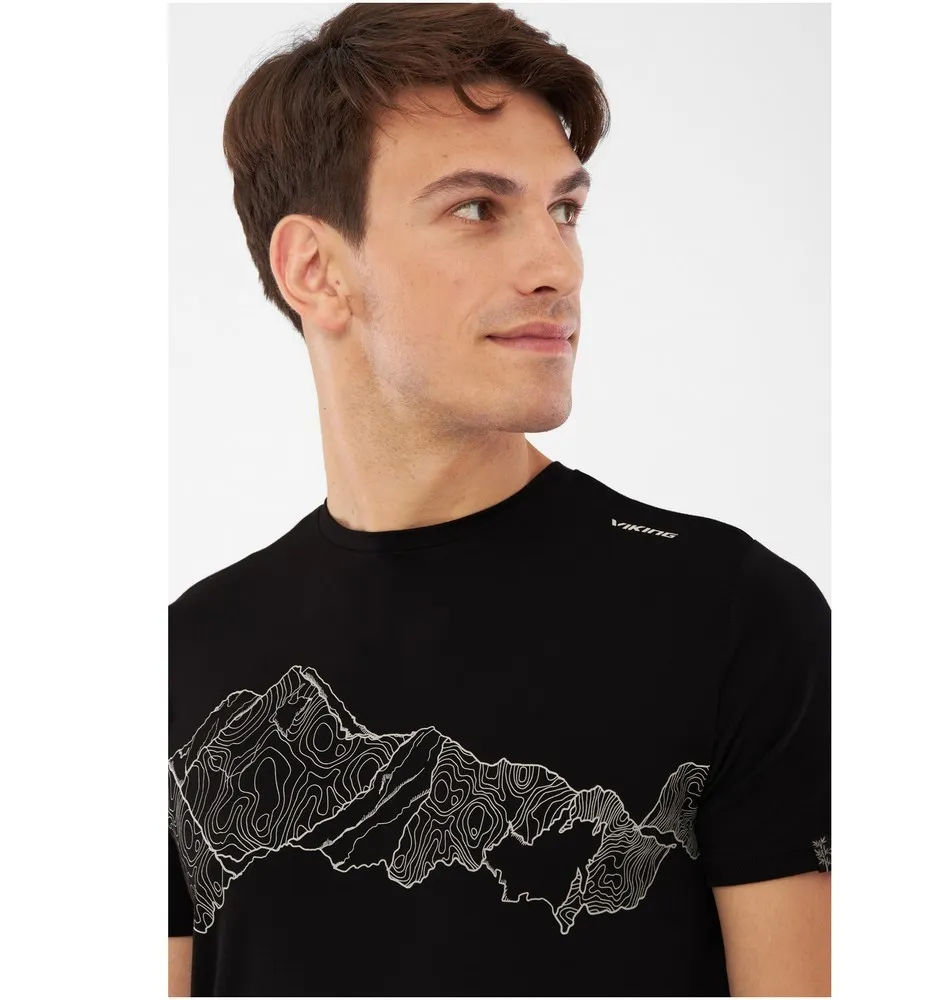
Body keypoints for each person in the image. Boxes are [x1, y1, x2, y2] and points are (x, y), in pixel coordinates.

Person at [168, 3, 831, 996]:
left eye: (564, 210)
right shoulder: (188, 658)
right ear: (317, 270)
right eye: (477, 209)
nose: (557, 267)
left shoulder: (733, 616)